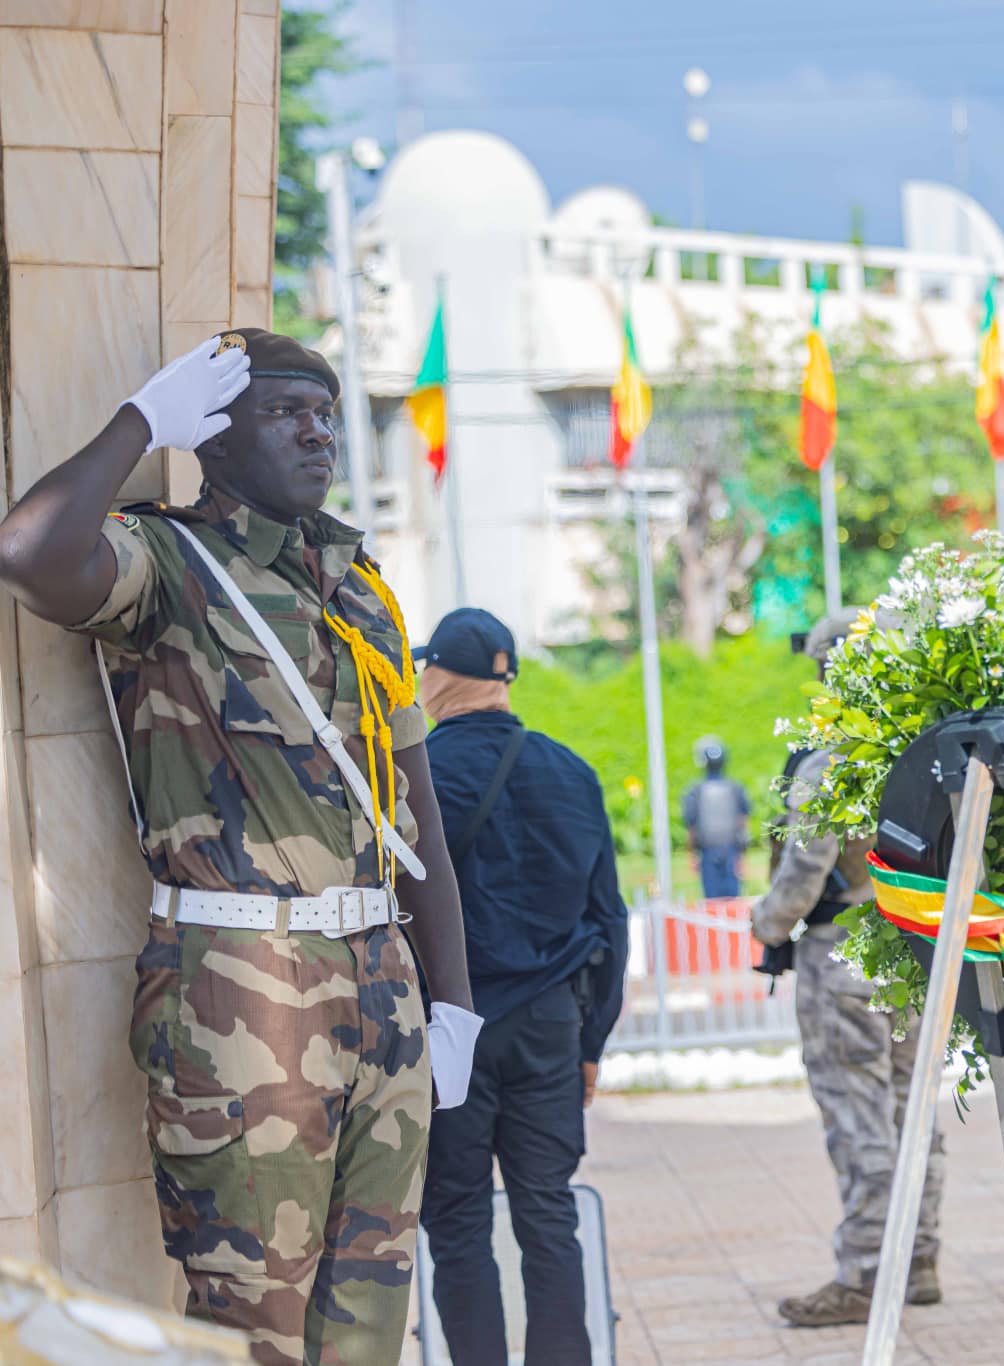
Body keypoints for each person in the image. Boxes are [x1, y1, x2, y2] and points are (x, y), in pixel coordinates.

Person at [0, 329, 481, 1365]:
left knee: (367, 1331)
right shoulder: (172, 565)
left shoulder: (358, 586)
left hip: (382, 981)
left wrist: (454, 997)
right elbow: (30, 550)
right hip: (240, 985)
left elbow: (418, 811)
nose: (316, 435)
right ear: (211, 436)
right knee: (253, 1328)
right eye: (283, 414)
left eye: (324, 416)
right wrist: (139, 422)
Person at [414, 606, 629, 1366]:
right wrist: (591, 1042)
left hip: (450, 1029)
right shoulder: (572, 772)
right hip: (550, 1026)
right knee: (548, 1212)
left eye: (424, 667)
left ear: (441, 676)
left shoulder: (417, 775)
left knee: (458, 1220)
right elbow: (610, 918)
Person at [753, 608, 943, 1328]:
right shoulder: (923, 748)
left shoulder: (835, 756)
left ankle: (866, 1274)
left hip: (844, 954)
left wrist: (765, 925)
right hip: (912, 953)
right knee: (912, 1113)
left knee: (860, 1120)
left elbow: (804, 872)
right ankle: (918, 1259)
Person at [684, 735, 750, 900]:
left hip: (708, 852)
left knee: (712, 902)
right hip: (731, 851)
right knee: (733, 901)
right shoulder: (736, 788)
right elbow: (743, 822)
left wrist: (692, 855)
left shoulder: (696, 790)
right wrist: (743, 854)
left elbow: (691, 826)